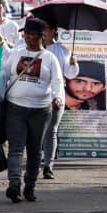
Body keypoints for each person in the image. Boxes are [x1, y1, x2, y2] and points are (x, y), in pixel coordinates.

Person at [0, 18, 63, 203]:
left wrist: (57, 98)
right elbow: (4, 73)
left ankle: (30, 186)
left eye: (31, 34)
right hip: (15, 109)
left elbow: (58, 81)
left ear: (41, 36)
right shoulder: (16, 53)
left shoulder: (50, 58)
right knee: (16, 148)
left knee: (34, 150)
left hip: (40, 111)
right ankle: (14, 185)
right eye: (25, 33)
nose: (27, 37)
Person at [40, 22, 79, 178]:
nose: (44, 33)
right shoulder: (32, 48)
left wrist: (74, 64)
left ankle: (48, 165)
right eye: (41, 30)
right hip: (37, 94)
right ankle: (39, 157)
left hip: (56, 94)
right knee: (38, 130)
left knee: (52, 130)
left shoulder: (62, 50)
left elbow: (70, 74)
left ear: (53, 31)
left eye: (46, 30)